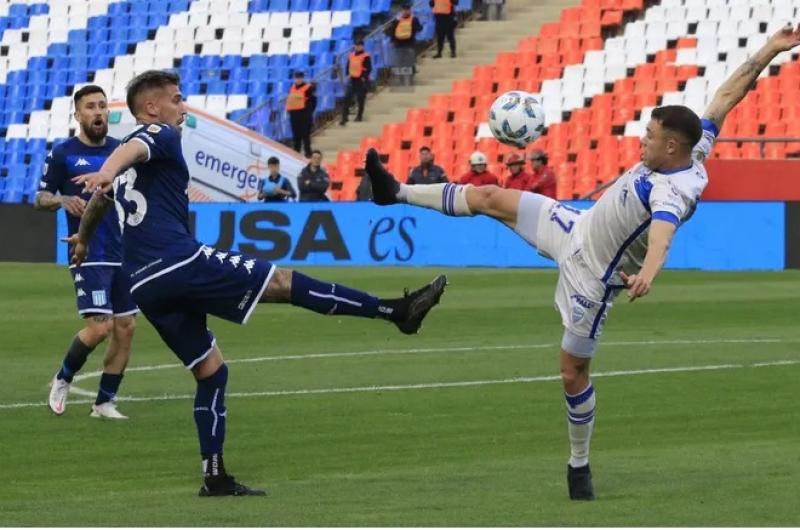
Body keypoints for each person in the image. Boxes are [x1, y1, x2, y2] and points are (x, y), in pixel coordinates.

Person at [362, 24, 800, 501]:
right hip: (573, 225)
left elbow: (662, 236)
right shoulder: (690, 148)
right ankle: (395, 192)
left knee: (572, 373)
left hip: (592, 280)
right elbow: (725, 97)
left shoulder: (674, 189)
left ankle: (578, 465)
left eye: (649, 136)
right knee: (489, 196)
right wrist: (770, 50)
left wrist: (649, 275)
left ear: (670, 147)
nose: (641, 141)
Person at [68, 70, 448, 497]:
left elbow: (100, 199)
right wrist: (106, 168)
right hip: (178, 262)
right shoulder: (156, 134)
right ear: (152, 107)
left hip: (145, 285)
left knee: (211, 372)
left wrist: (83, 236)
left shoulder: (130, 154)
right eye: (176, 99)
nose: (183, 107)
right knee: (284, 282)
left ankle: (214, 476)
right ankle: (395, 312)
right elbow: (133, 150)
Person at [34, 85, 137, 420]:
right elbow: (41, 198)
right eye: (90, 107)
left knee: (126, 328)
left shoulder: (121, 151)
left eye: (103, 106)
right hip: (87, 250)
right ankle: (63, 378)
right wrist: (63, 199)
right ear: (78, 115)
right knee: (99, 328)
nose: (98, 112)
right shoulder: (63, 153)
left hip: (122, 251)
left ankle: (104, 402)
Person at [386, 2, 422, 86]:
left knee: (408, 62)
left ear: (410, 10)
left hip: (409, 43)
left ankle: (410, 78)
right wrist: (392, 41)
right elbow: (392, 31)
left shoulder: (414, 19)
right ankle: (402, 79)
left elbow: (419, 28)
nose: (405, 11)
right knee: (401, 62)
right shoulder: (397, 20)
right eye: (404, 10)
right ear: (401, 11)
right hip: (399, 43)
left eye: (407, 10)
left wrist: (418, 27)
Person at [340, 38, 371, 125]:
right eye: (356, 45)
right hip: (352, 79)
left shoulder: (366, 56)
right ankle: (344, 117)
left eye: (359, 45)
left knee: (360, 99)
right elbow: (348, 66)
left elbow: (368, 68)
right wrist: (347, 74)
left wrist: (364, 77)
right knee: (347, 98)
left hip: (361, 81)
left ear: (362, 46)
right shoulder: (351, 55)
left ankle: (359, 116)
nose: (357, 47)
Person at [285, 71, 316, 158]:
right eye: (296, 78)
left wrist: (309, 113)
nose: (298, 80)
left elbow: (312, 102)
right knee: (296, 135)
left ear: (302, 78)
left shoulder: (308, 88)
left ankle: (308, 152)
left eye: (299, 78)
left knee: (305, 135)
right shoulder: (291, 87)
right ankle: (296, 152)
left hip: (304, 115)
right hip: (294, 115)